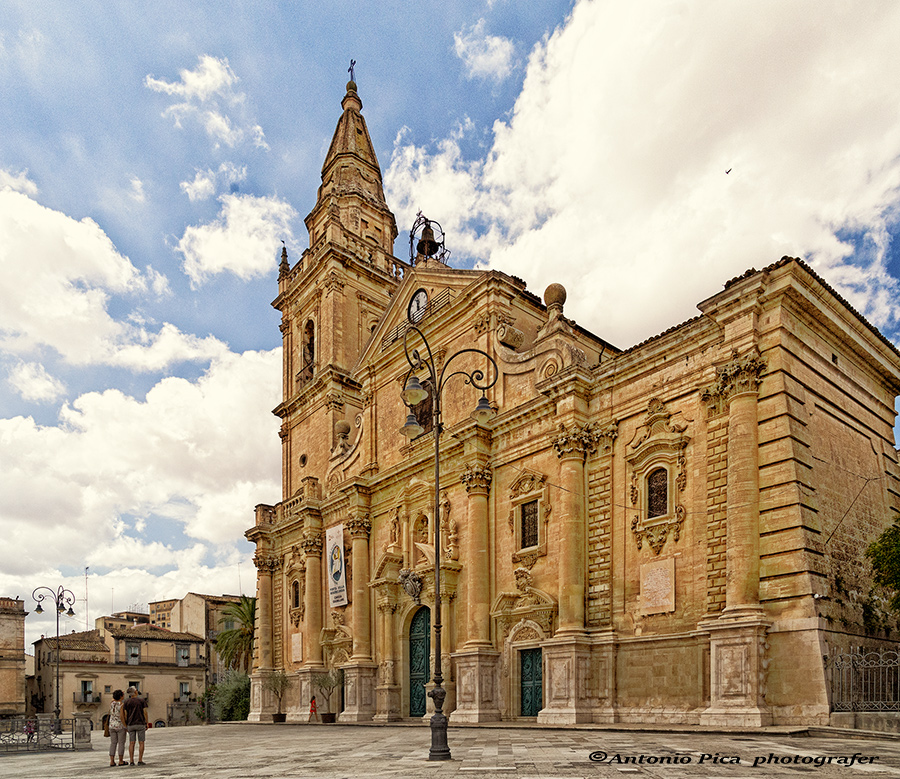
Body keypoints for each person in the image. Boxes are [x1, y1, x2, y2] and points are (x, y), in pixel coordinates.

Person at [122, 686, 148, 766]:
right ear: (135, 692)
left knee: (131, 743)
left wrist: (126, 724)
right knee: (141, 742)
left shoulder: (126, 702)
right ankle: (140, 760)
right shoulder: (141, 701)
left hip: (130, 724)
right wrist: (146, 722)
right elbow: (145, 712)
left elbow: (125, 714)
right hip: (140, 723)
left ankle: (131, 761)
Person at [107, 689, 127, 767]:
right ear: (121, 696)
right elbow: (122, 716)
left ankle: (112, 761)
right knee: (121, 743)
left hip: (111, 725)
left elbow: (113, 699)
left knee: (113, 743)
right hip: (119, 726)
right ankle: (120, 760)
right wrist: (125, 726)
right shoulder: (121, 705)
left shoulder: (112, 703)